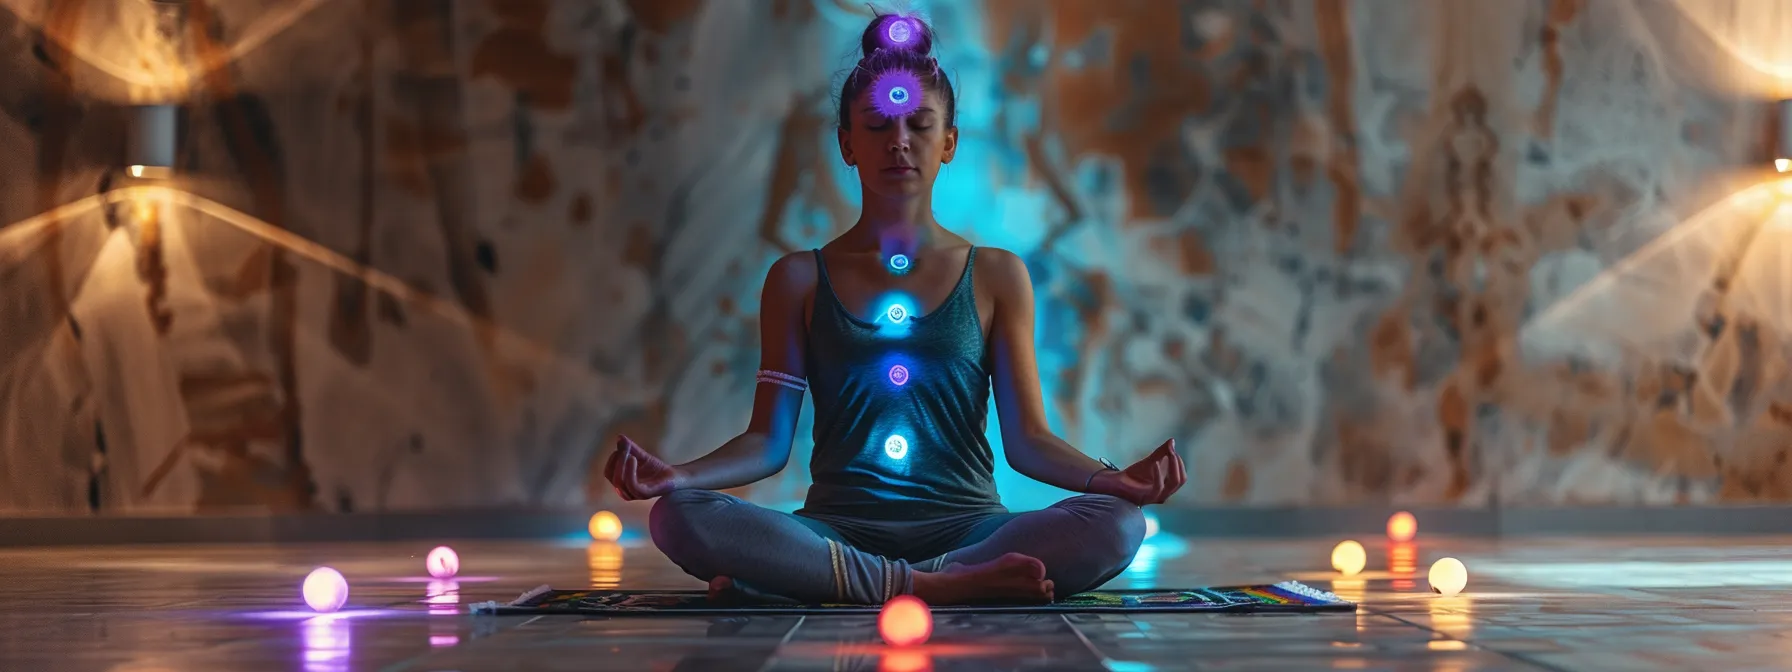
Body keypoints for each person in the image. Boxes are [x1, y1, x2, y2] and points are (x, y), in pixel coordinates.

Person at [602, 11, 1186, 606]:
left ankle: (833, 581)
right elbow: (767, 442)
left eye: (920, 125)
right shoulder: (798, 279)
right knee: (678, 516)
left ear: (949, 142)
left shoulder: (995, 274)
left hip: (969, 529)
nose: (899, 142)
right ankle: (940, 587)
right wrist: (678, 477)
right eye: (877, 126)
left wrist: (1110, 480)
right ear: (847, 144)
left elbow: (1028, 439)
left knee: (1118, 523)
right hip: (837, 527)